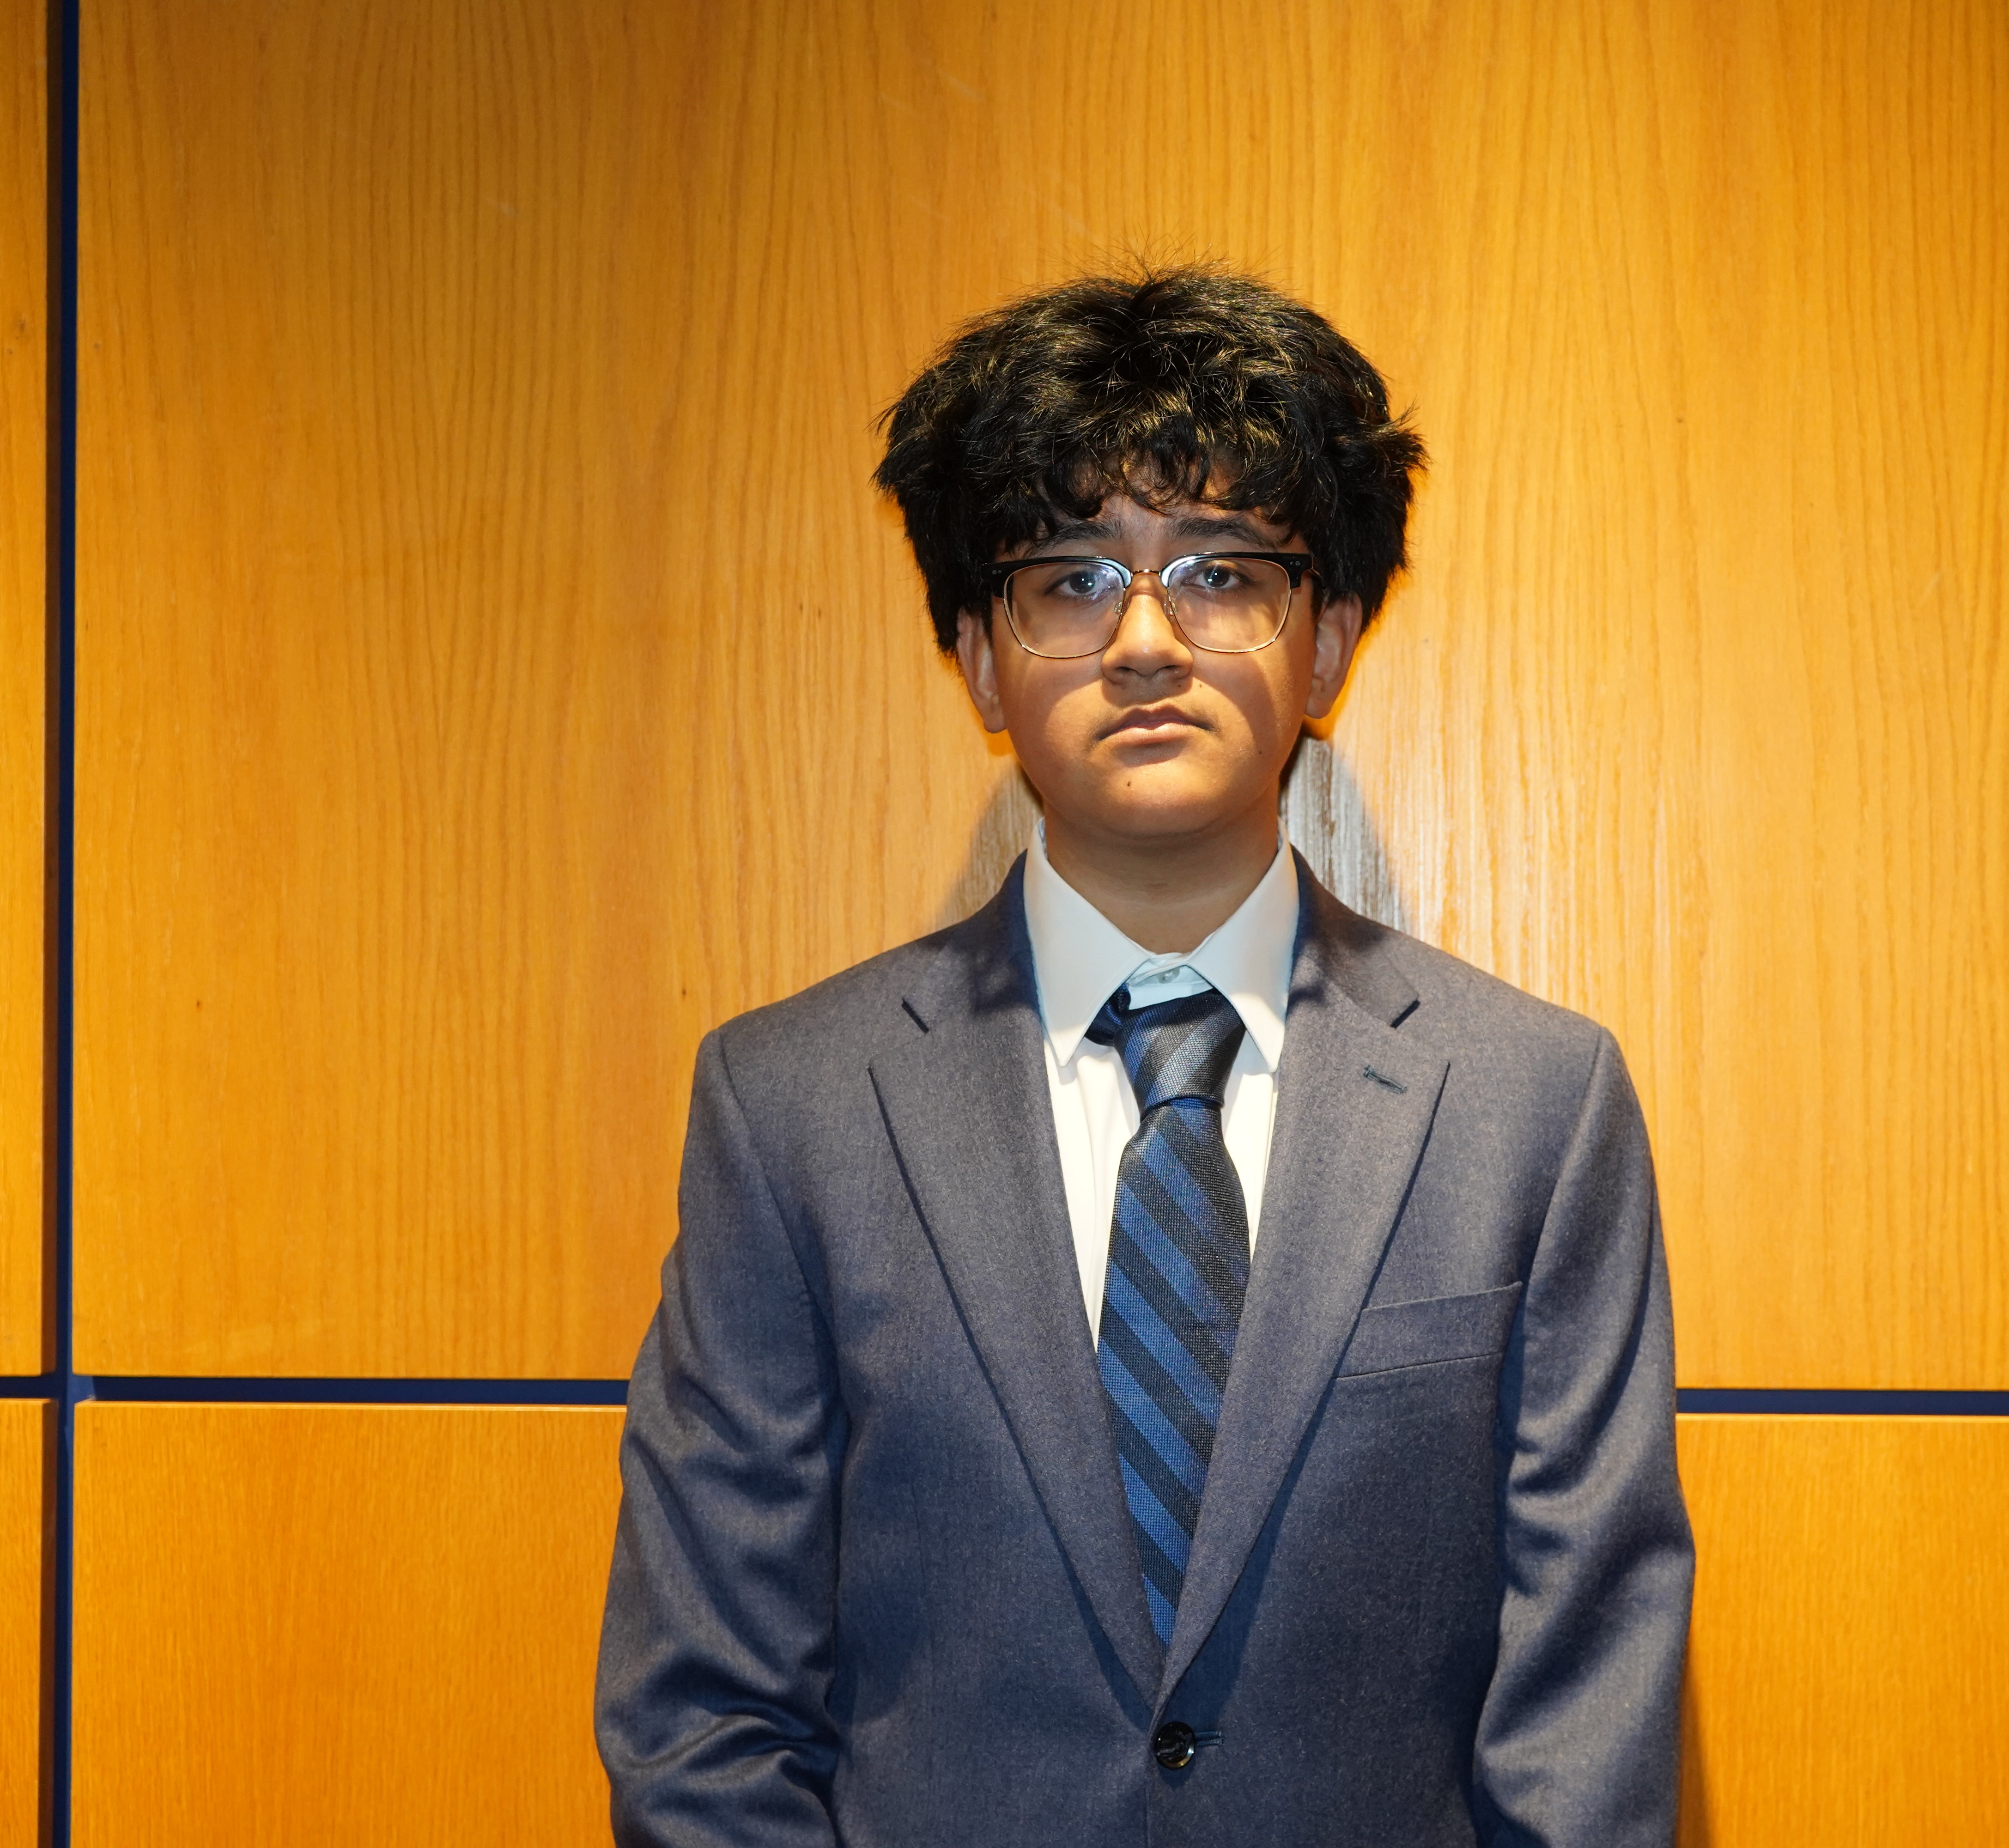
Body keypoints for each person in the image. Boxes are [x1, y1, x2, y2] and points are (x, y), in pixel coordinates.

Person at [595, 267, 1693, 1847]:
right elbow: (704, 1711)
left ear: (1328, 644)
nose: (1147, 641)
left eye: (1222, 572)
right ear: (982, 657)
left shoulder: (1533, 1106)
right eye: (1072, 580)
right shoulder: (795, 1110)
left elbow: (1589, 1711)